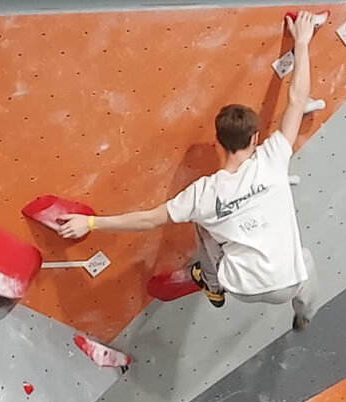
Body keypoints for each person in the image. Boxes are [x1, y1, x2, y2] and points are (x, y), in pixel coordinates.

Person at [58, 10, 324, 331]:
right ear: (255, 139)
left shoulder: (202, 194)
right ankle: (304, 315)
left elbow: (147, 219)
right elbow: (296, 100)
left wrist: (89, 222)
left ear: (217, 143)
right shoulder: (274, 156)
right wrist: (303, 42)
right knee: (305, 260)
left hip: (242, 287)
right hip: (289, 283)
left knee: (200, 222)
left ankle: (211, 282)